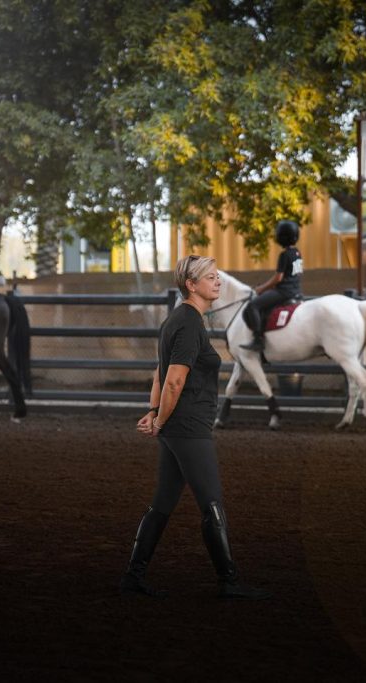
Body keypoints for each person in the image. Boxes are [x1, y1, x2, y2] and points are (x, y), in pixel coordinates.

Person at [122, 255, 271, 600]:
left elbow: (160, 372)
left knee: (163, 501)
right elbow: (173, 380)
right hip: (188, 426)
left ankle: (133, 575)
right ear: (192, 285)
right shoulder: (189, 323)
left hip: (178, 425)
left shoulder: (179, 319)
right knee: (211, 502)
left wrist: (155, 411)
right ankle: (229, 581)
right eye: (211, 277)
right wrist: (159, 419)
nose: (218, 282)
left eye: (218, 277)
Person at [240, 219, 304, 353]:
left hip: (284, 291)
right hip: (296, 290)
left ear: (282, 237)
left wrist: (261, 288)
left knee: (253, 306)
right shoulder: (297, 253)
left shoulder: (284, 255)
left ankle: (258, 340)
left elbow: (278, 278)